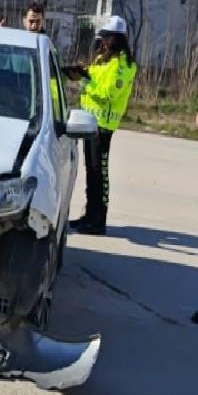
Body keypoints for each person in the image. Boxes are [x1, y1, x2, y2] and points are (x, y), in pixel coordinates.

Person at [70, 15, 137, 236]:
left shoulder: (123, 64)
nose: (103, 41)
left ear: (116, 38)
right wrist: (84, 74)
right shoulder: (103, 59)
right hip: (89, 121)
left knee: (100, 172)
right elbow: (93, 80)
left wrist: (87, 82)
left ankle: (99, 220)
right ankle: (90, 215)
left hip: (103, 124)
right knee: (91, 171)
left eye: (106, 37)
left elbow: (108, 93)